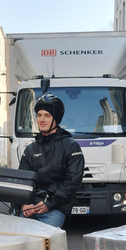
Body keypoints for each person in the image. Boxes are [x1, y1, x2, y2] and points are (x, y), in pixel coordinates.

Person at [17, 93, 84, 228]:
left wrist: (49, 204)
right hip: (30, 206)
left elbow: (73, 181)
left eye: (47, 116)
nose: (42, 119)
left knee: (46, 241)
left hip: (55, 208)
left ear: (56, 119)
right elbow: (23, 179)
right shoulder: (30, 149)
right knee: (19, 238)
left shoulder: (70, 146)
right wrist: (25, 202)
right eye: (39, 115)